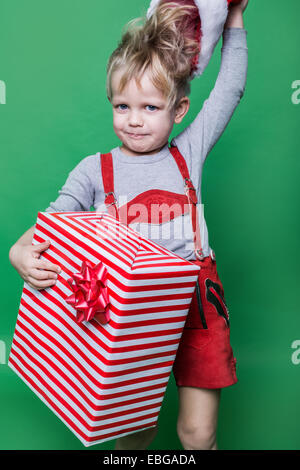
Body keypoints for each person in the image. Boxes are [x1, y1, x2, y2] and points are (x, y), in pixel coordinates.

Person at [9, 0, 249, 450]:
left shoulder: (189, 152)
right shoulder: (93, 171)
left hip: (195, 298)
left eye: (150, 107)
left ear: (178, 110)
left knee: (198, 434)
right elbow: (53, 221)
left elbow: (230, 89)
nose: (134, 120)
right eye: (123, 105)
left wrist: (233, 19)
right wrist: (18, 252)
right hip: (129, 309)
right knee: (133, 431)